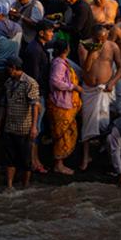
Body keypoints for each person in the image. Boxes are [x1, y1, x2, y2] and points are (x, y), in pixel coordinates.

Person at [0, 58, 40, 189]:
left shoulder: (30, 83)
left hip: (24, 128)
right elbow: (4, 104)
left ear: (13, 67)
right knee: (9, 159)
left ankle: (25, 186)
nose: (6, 71)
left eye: (8, 68)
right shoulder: (8, 83)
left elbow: (35, 106)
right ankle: (9, 186)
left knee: (26, 161)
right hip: (9, 126)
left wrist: (34, 127)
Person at [79, 22, 120, 170]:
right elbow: (86, 69)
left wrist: (112, 82)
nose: (100, 42)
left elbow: (120, 68)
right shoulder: (84, 45)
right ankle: (85, 156)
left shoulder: (113, 46)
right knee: (87, 124)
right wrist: (92, 51)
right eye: (98, 39)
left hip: (105, 89)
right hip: (90, 90)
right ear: (93, 36)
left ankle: (107, 153)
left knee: (105, 124)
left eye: (103, 39)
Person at [47, 40, 81, 175]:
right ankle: (58, 165)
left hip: (66, 104)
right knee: (61, 136)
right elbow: (55, 81)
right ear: (66, 49)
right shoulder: (59, 64)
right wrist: (73, 87)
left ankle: (60, 163)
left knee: (67, 133)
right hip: (60, 104)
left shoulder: (62, 62)